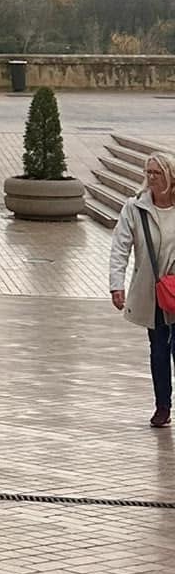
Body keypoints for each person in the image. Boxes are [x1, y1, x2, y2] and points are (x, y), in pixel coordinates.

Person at [109, 149, 175, 428]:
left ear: (170, 176)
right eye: (148, 172)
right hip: (153, 292)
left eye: (156, 173)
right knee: (159, 351)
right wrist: (116, 284)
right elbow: (120, 247)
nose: (151, 178)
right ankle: (162, 405)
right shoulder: (135, 207)